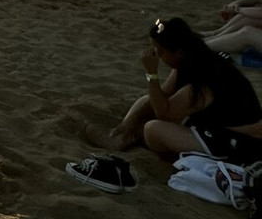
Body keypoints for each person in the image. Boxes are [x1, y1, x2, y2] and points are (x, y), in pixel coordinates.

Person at [91, 17, 262, 162]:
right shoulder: (190, 59)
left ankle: (137, 141)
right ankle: (119, 137)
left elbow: (163, 114)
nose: (157, 55)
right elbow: (162, 96)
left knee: (152, 130)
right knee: (145, 101)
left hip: (240, 144)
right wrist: (131, 121)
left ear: (178, 52)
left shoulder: (205, 80)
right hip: (213, 127)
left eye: (161, 52)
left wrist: (152, 73)